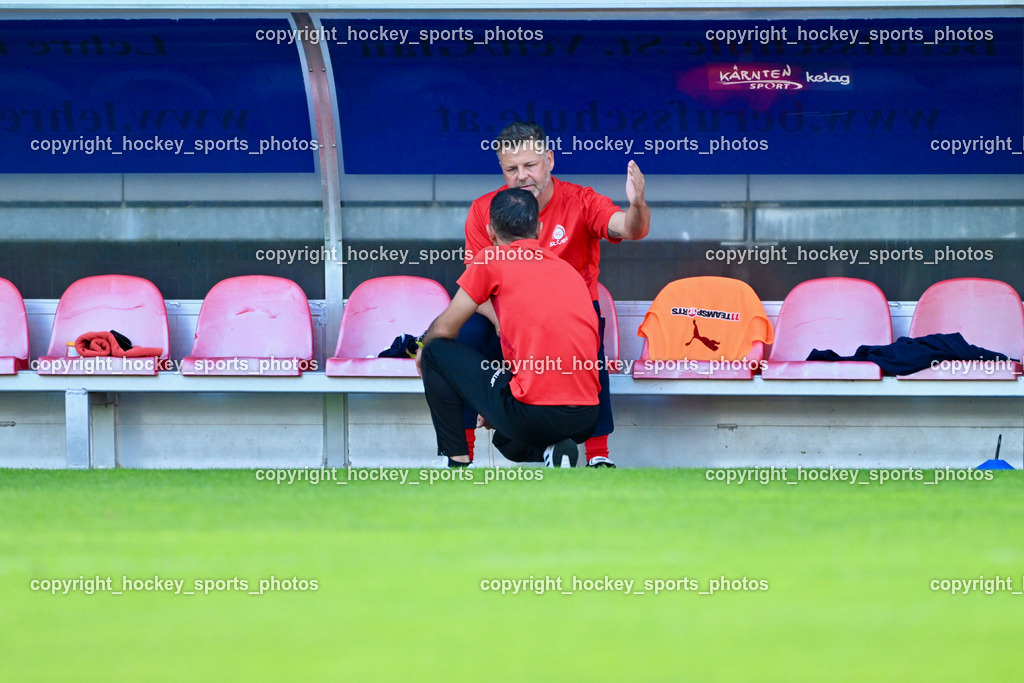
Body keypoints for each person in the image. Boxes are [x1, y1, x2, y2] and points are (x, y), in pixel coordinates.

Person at [457, 121, 650, 467]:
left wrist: (637, 206)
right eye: (512, 169)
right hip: (503, 313)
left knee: (591, 330)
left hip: (567, 315)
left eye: (530, 165)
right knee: (465, 336)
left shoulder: (580, 201)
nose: (522, 176)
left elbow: (630, 228)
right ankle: (461, 454)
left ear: (549, 160)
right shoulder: (484, 209)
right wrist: (503, 322)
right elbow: (474, 284)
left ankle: (598, 455)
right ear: (501, 168)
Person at [416, 188, 600, 468]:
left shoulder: (490, 259)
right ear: (539, 229)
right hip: (586, 417)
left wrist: (419, 346)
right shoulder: (567, 270)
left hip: (531, 414)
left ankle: (457, 462)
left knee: (434, 352)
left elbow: (445, 328)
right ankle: (555, 451)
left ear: (490, 233)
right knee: (505, 439)